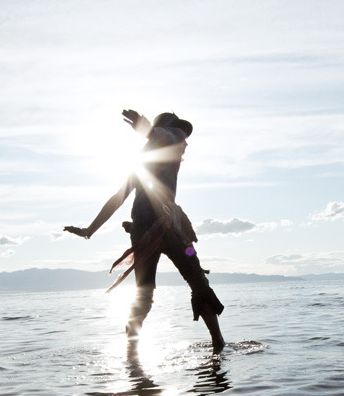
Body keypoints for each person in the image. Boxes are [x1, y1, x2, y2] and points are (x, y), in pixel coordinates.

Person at [64, 109, 225, 353]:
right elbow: (118, 198)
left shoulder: (166, 151)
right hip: (152, 231)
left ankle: (217, 344)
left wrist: (149, 131)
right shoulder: (148, 155)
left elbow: (168, 138)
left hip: (167, 227)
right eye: (175, 133)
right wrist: (90, 230)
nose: (183, 141)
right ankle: (133, 352)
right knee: (149, 295)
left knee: (197, 285)